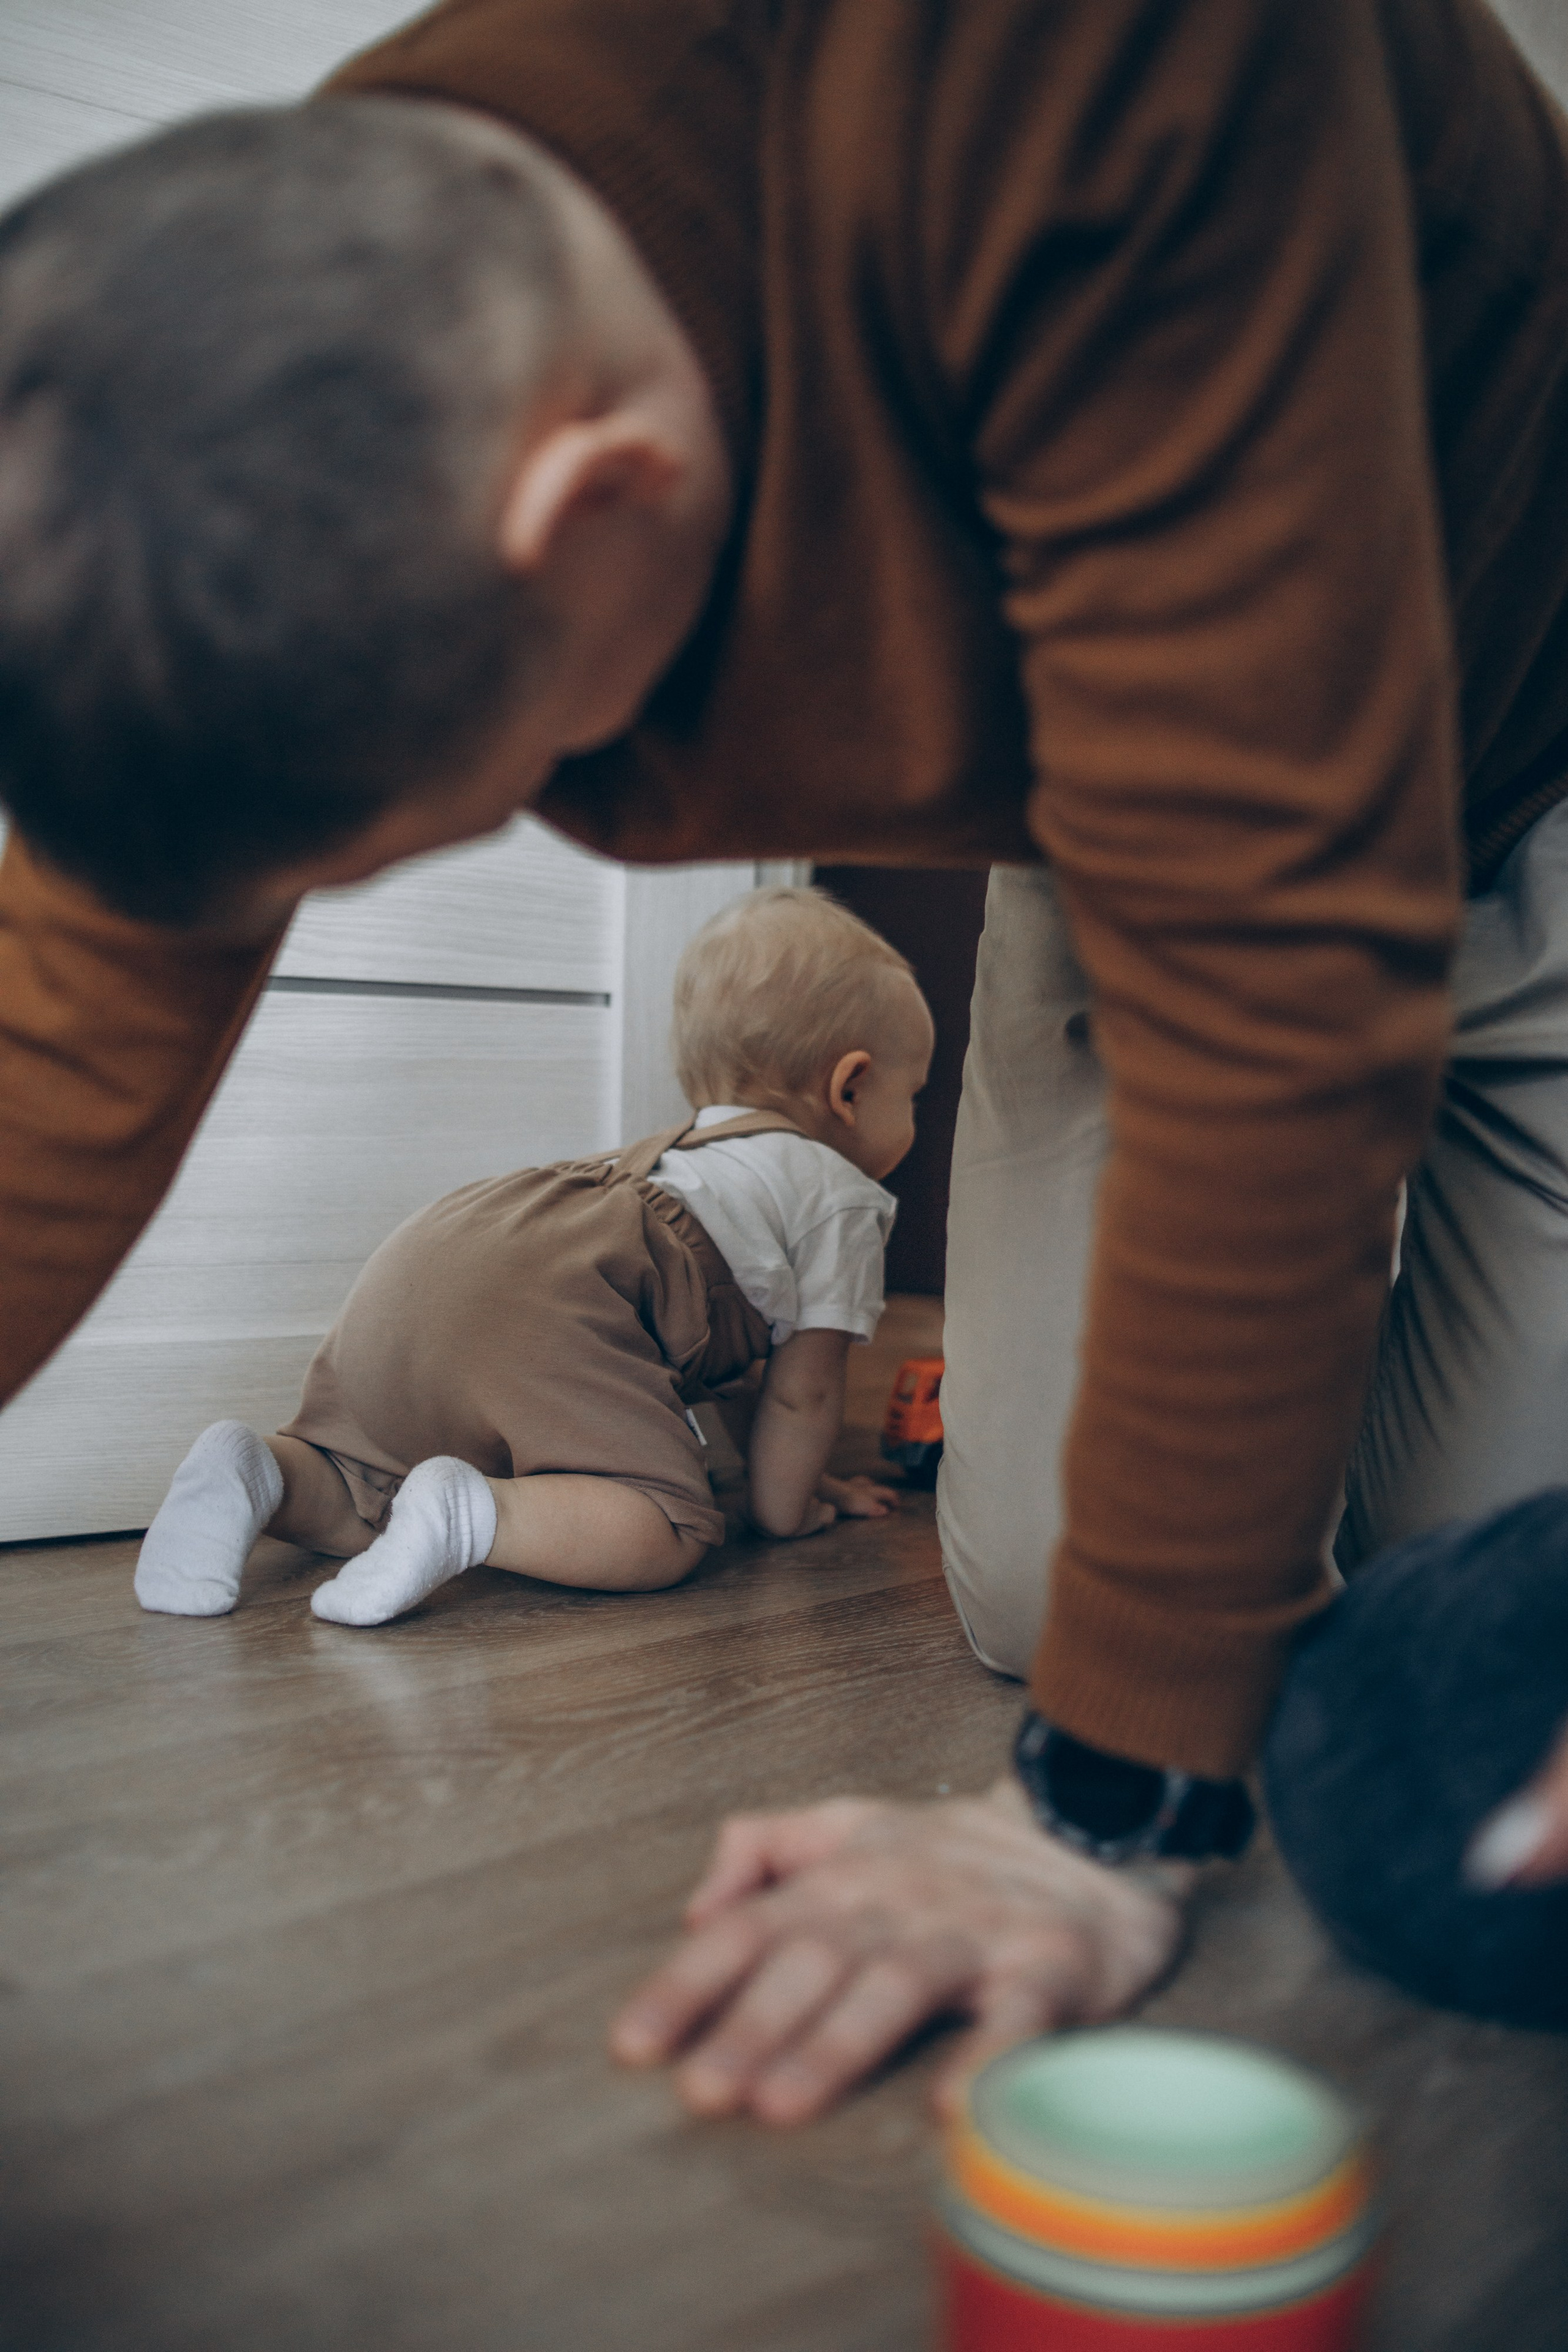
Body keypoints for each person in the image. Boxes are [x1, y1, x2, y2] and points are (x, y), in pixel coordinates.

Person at [1, 0, 1567, 2120]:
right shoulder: (310, 342)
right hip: (1132, 832)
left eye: (457, 805)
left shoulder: (1118, 108)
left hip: (1516, 779)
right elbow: (71, 1027)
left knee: (1443, 1692)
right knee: (1044, 1590)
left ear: (597, 496)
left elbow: (1276, 1021)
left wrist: (1107, 1817)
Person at [133, 887, 925, 1624]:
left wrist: (788, 1470)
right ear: (849, 1088)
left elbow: (758, 1376)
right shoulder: (842, 1198)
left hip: (445, 1246)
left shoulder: (688, 1162)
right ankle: (477, 1513)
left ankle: (257, 1470)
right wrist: (787, 1510)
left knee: (358, 1485)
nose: (914, 1114)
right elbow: (804, 1391)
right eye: (913, 1094)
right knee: (673, 1523)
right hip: (552, 1304)